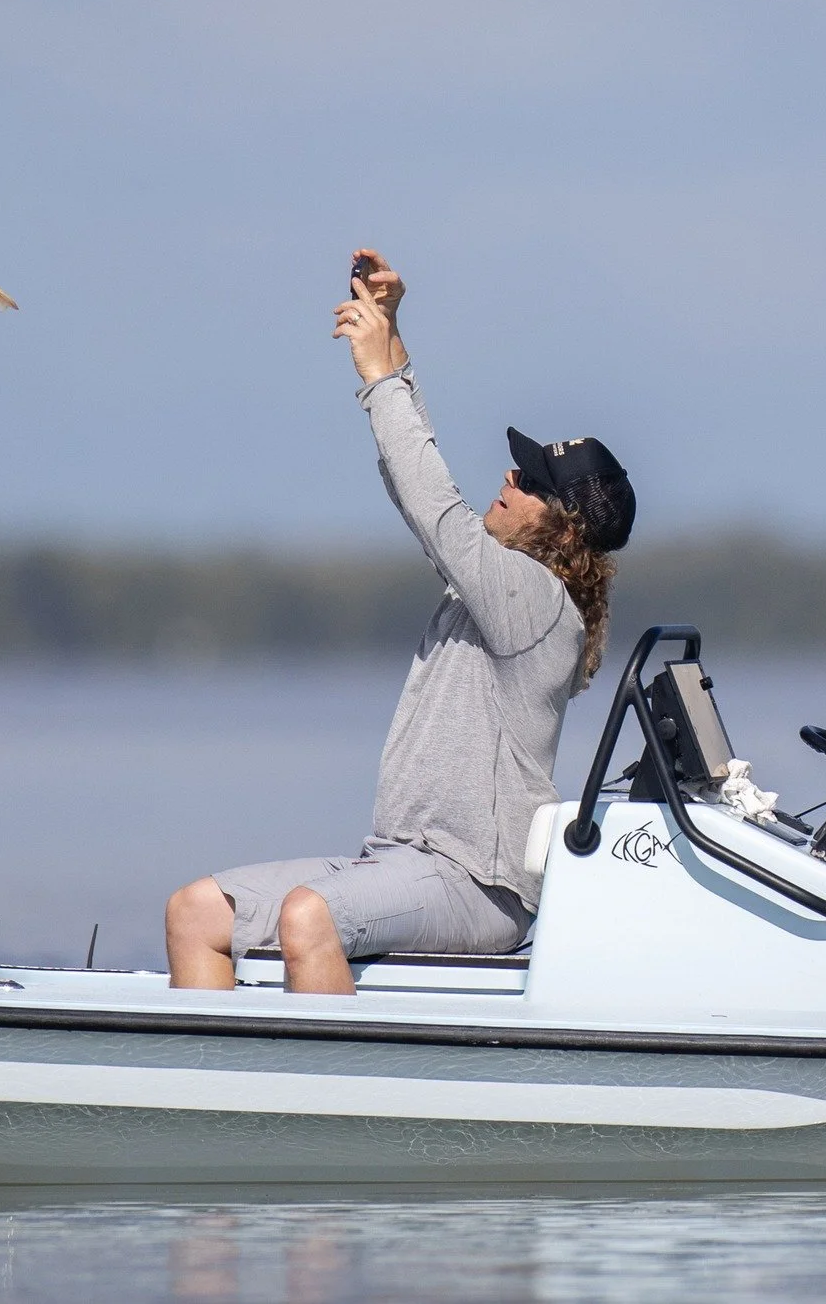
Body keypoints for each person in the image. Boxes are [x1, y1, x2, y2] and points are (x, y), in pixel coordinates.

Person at [165, 251, 635, 993]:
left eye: (534, 482)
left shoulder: (540, 604)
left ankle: (331, 1106)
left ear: (565, 528)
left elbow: (433, 505)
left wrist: (380, 375)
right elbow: (413, 492)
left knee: (308, 916)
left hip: (479, 886)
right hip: (400, 861)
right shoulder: (490, 588)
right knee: (196, 912)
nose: (509, 479)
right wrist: (391, 339)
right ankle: (223, 1101)